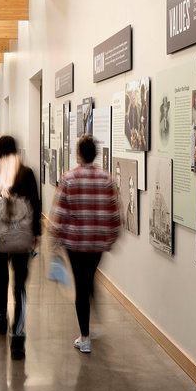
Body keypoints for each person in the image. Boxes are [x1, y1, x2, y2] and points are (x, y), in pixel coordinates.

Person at [50, 135, 120, 354]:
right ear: (95, 154)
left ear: (79, 153)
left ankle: (85, 337)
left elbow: (60, 213)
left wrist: (55, 236)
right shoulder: (106, 179)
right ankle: (94, 324)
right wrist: (111, 238)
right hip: (97, 243)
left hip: (75, 243)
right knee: (89, 279)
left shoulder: (69, 178)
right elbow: (115, 214)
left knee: (82, 285)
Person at [0, 136, 41, 360]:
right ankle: (18, 337)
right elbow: (35, 203)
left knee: (1, 280)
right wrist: (36, 233)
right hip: (23, 238)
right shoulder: (26, 173)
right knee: (20, 286)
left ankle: (1, 318)